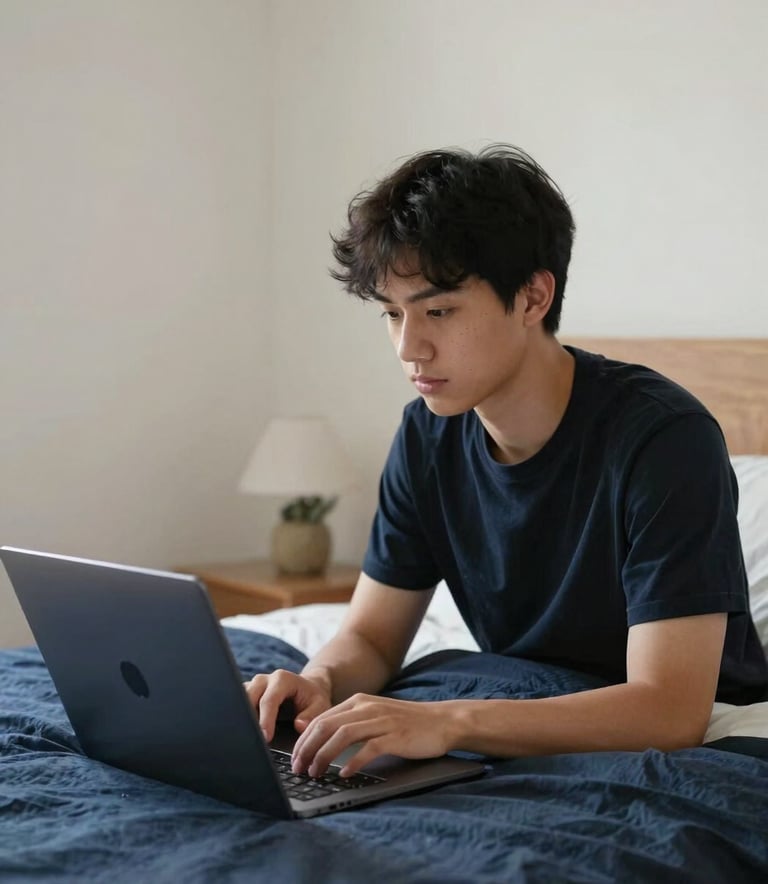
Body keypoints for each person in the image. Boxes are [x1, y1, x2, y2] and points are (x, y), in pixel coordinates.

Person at [246, 144, 768, 780]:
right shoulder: (426, 434)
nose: (409, 347)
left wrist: (448, 722)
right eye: (392, 314)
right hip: (512, 693)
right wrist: (318, 683)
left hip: (664, 736)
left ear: (532, 298)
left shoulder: (666, 440)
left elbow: (670, 712)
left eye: (438, 310)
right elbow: (375, 638)